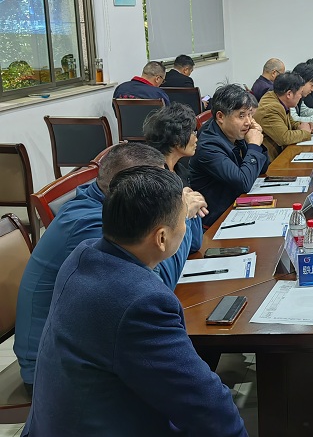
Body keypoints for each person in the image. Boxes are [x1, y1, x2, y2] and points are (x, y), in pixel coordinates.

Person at [22, 167, 247, 437]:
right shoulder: (141, 302)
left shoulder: (84, 254)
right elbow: (205, 403)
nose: (185, 226)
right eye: (183, 220)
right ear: (161, 238)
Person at [14, 143, 205, 391]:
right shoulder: (94, 225)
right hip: (52, 373)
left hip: (87, 347)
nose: (166, 191)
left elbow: (193, 244)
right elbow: (156, 286)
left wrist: (176, 214)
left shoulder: (106, 203)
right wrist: (182, 215)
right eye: (158, 184)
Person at [189, 84, 269, 227]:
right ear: (220, 116)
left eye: (250, 114)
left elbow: (262, 169)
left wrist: (255, 143)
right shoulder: (208, 146)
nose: (248, 122)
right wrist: (254, 146)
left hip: (238, 206)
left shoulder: (233, 132)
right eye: (241, 116)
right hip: (218, 221)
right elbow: (243, 183)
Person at [255, 72, 313, 158]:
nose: (301, 97)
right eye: (300, 93)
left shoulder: (280, 101)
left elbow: (290, 123)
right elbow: (284, 138)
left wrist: (305, 125)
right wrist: (305, 133)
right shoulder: (271, 108)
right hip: (270, 160)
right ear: (289, 94)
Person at [143, 102, 198, 185]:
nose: (196, 139)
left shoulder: (181, 170)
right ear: (176, 140)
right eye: (192, 132)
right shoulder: (155, 179)